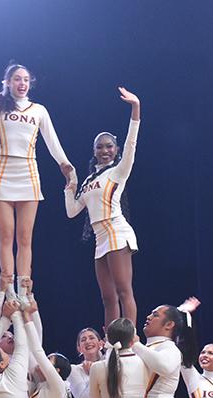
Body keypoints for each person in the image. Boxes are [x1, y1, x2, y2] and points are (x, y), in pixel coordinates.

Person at [0, 17, 77, 303]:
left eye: (25, 79)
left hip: (29, 174)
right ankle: (7, 290)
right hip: (1, 173)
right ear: (7, 83)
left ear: (29, 83)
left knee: (25, 238)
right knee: (6, 236)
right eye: (16, 79)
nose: (21, 83)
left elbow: (53, 142)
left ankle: (26, 291)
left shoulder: (39, 110)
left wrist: (67, 167)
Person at [65, 88, 140, 327]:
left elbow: (131, 143)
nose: (105, 151)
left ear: (116, 150)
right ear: (94, 151)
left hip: (117, 231)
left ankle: (128, 341)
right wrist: (71, 183)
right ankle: (111, 345)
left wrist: (135, 108)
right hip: (100, 238)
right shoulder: (88, 182)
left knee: (123, 291)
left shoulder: (118, 171)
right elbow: (72, 211)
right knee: (108, 298)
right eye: (100, 147)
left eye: (109, 146)